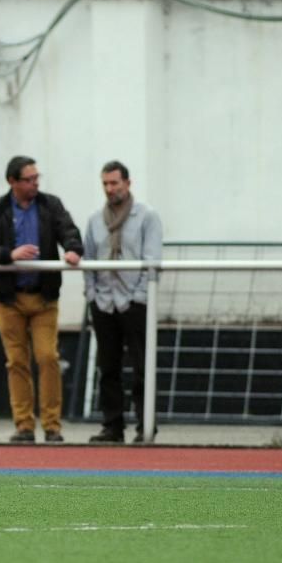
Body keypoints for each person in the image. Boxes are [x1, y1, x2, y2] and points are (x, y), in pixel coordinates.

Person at [0, 156, 83, 444]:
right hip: (9, 299)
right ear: (12, 181)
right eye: (29, 179)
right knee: (17, 361)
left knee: (48, 358)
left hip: (44, 297)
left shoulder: (51, 205)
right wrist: (9, 255)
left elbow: (69, 232)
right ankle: (24, 426)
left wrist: (73, 250)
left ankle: (52, 426)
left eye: (37, 178)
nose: (35, 183)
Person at [83, 160, 163, 444]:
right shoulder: (95, 219)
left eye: (115, 183)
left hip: (135, 301)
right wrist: (92, 295)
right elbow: (88, 260)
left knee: (142, 366)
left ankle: (146, 425)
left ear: (128, 184)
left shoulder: (147, 216)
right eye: (105, 183)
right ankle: (112, 426)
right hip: (104, 302)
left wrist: (138, 297)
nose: (110, 188)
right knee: (108, 368)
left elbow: (152, 261)